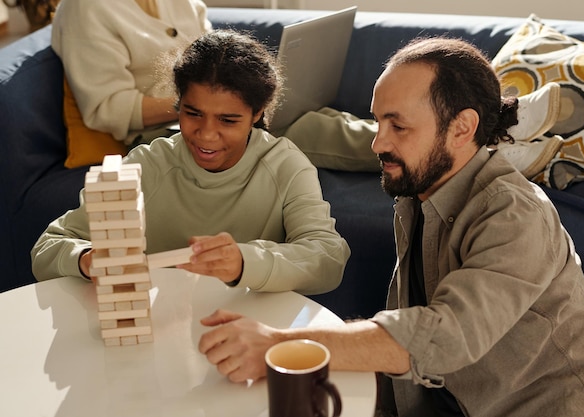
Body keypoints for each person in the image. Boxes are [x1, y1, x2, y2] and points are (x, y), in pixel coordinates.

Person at [195, 37, 584, 416]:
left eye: (398, 125)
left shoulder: (514, 215)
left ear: (462, 128)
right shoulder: (419, 192)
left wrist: (276, 343)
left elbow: (445, 335)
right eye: (378, 121)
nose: (377, 142)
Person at [31, 29, 350, 295]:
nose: (207, 135)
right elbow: (48, 247)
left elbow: (328, 259)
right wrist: (86, 258)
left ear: (256, 114)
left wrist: (244, 261)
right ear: (178, 105)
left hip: (250, 330)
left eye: (227, 120)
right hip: (159, 329)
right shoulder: (147, 165)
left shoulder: (285, 166)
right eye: (192, 113)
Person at [51, 0, 212, 146]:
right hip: (160, 137)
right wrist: (197, 105)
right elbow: (109, 108)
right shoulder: (85, 7)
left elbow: (213, 51)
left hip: (209, 120)